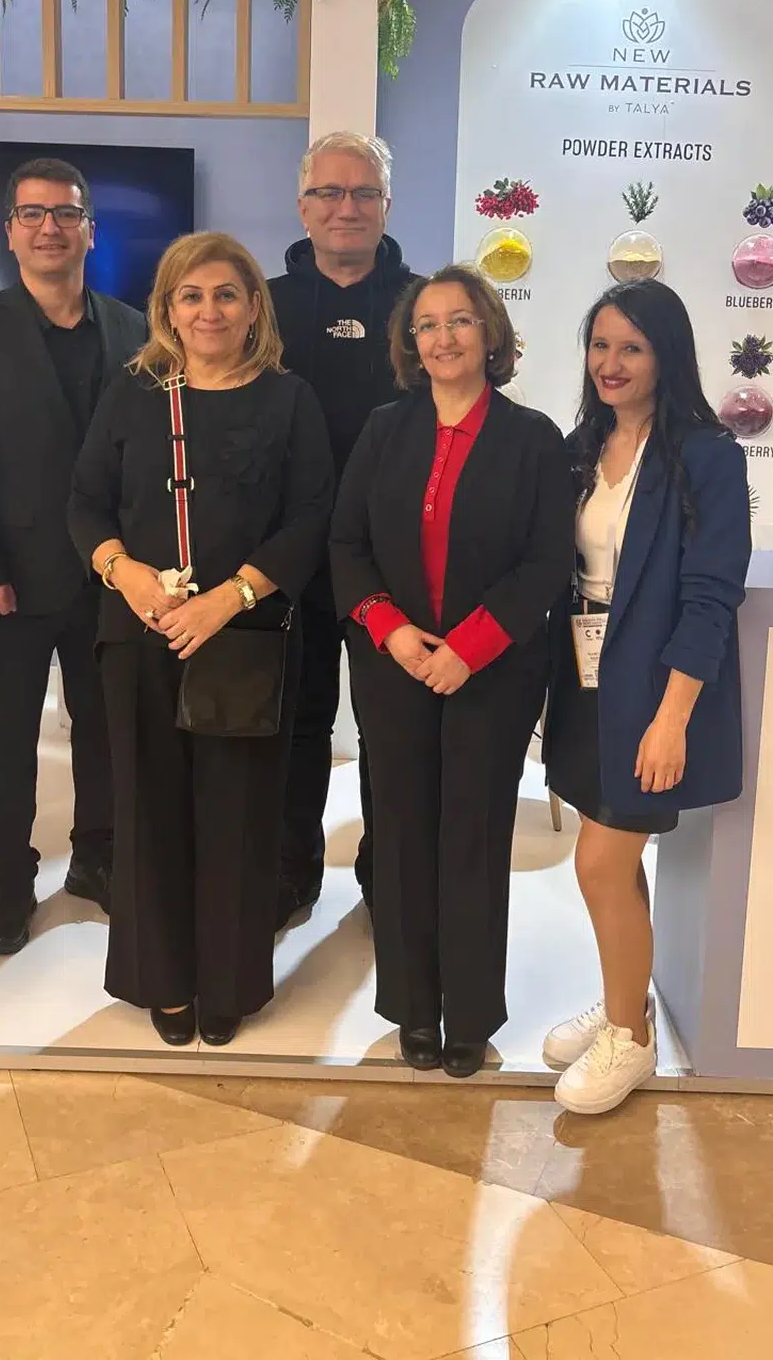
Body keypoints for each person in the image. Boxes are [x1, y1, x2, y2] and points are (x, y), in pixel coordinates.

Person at [68, 232, 333, 1048]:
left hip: (243, 635)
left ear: (254, 308)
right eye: (191, 295)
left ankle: (228, 981)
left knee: (238, 814)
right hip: (140, 631)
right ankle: (163, 978)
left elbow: (310, 517)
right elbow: (86, 502)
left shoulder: (290, 400)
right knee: (148, 809)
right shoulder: (132, 393)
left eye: (226, 294)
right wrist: (125, 574)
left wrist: (228, 597)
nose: (208, 310)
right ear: (167, 310)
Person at [331, 266, 575, 1077]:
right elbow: (346, 544)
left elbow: (546, 561)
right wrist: (392, 630)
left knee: (473, 835)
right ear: (411, 342)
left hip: (494, 672)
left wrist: (470, 647)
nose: (444, 337)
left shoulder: (533, 438)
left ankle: (468, 1012)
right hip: (394, 665)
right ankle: (413, 1007)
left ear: (491, 332)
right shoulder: (382, 431)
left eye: (461, 320)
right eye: (428, 324)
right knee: (401, 834)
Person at [0, 157, 148, 956]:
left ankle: (96, 859)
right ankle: (13, 883)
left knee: (106, 732)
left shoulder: (133, 328)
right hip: (8, 583)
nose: (50, 227)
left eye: (66, 213)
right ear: (10, 232)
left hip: (111, 577)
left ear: (91, 230)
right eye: (33, 214)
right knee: (9, 743)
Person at [541, 281, 751, 1115]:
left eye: (632, 347)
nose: (611, 363)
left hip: (653, 684)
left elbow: (710, 596)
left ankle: (629, 1039)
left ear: (667, 355)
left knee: (598, 862)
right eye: (600, 345)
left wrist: (672, 717)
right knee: (614, 865)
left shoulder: (707, 455)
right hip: (584, 676)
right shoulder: (579, 447)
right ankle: (625, 999)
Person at [269, 131, 417, 928]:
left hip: (397, 563)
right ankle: (290, 872)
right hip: (288, 559)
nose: (346, 207)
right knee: (295, 724)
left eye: (363, 193)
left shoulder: (426, 306)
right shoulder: (260, 306)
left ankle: (385, 873)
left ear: (386, 207)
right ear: (303, 207)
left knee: (391, 733)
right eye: (329, 192)